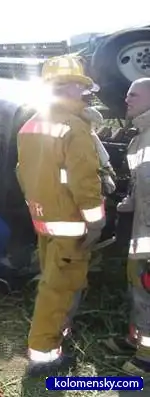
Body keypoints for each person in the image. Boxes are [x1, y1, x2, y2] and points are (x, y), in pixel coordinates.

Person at [16, 55, 106, 376]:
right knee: (58, 290)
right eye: (80, 87)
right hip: (70, 224)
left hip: (44, 221)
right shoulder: (74, 127)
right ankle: (44, 357)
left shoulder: (29, 126)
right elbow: (85, 181)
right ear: (69, 87)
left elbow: (22, 173)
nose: (83, 94)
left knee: (52, 284)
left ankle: (56, 339)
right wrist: (96, 222)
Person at [103, 77, 150, 375]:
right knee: (138, 286)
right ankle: (137, 339)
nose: (126, 99)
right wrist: (129, 202)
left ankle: (147, 357)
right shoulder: (138, 140)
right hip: (140, 232)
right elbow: (140, 183)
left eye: (134, 95)